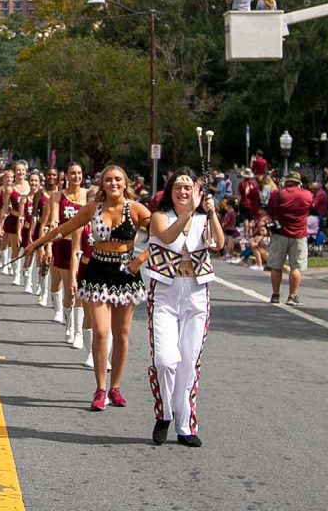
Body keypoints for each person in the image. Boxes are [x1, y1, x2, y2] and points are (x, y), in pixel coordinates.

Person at [29, 165, 150, 411]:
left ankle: (116, 387)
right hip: (97, 273)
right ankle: (101, 388)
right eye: (108, 179)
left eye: (118, 179)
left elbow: (161, 235)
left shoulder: (136, 209)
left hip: (126, 274)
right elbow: (65, 228)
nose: (113, 183)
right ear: (102, 183)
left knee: (122, 334)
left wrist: (140, 259)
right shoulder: (93, 208)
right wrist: (37, 244)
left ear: (125, 182)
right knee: (101, 332)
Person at [130, 168, 223, 447]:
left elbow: (218, 243)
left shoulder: (203, 217)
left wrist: (211, 212)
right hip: (165, 296)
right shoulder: (160, 216)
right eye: (178, 188)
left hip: (195, 294)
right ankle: (165, 413)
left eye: (188, 187)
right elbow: (168, 237)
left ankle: (185, 426)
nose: (183, 192)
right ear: (170, 191)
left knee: (188, 364)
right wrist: (190, 211)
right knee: (165, 361)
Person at [43, 163, 90, 343]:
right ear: (66, 176)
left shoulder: (89, 195)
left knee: (79, 290)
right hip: (63, 245)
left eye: (79, 173)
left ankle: (78, 332)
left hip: (84, 247)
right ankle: (69, 321)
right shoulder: (57, 196)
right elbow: (54, 222)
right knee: (68, 290)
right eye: (72, 173)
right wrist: (48, 246)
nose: (76, 176)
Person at [266, 171, 313, 306]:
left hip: (280, 233)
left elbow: (270, 208)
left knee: (276, 266)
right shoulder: (307, 195)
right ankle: (292, 296)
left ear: (287, 181)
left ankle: (275, 295)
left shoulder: (278, 194)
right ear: (299, 182)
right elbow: (310, 209)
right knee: (296, 267)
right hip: (299, 234)